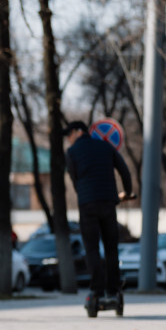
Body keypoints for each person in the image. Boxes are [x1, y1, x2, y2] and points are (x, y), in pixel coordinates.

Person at [64, 121, 133, 305]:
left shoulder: (72, 152)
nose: (69, 140)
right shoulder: (105, 146)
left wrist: (85, 194)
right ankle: (114, 289)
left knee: (92, 248)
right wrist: (127, 191)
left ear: (77, 132)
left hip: (87, 204)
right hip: (109, 203)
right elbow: (124, 171)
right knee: (111, 248)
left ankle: (96, 290)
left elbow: (74, 177)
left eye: (69, 135)